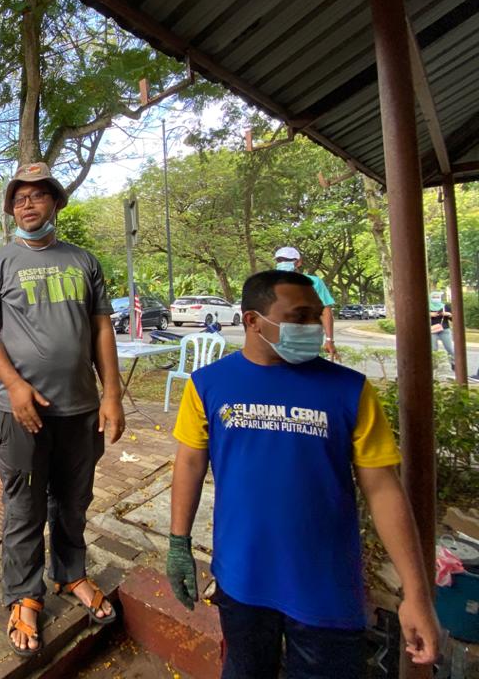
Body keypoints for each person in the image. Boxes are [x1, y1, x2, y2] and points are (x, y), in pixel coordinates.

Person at [166, 269, 439, 678]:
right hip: (241, 579)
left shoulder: (349, 390)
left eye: (316, 315)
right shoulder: (208, 385)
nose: (313, 327)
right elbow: (189, 463)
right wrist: (178, 543)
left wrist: (416, 593)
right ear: (253, 321)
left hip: (326, 589)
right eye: (299, 317)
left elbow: (383, 489)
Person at [0, 161, 125, 657]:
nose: (27, 204)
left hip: (80, 408)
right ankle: (24, 594)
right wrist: (14, 385)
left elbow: (102, 328)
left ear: (55, 202)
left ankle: (70, 573)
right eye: (19, 198)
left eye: (37, 195)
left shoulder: (84, 261)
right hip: (21, 411)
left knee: (74, 499)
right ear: (11, 208)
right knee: (25, 505)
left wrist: (112, 394)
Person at [273, 247, 339, 360]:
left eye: (288, 260)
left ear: (298, 262)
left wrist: (329, 340)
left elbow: (325, 311)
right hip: (275, 340)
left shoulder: (314, 282)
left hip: (305, 341)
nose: (283, 263)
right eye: (280, 260)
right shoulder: (268, 283)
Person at [430, 290, 454, 370]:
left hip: (444, 329)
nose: (436, 299)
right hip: (432, 330)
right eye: (434, 297)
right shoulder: (426, 306)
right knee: (433, 349)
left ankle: (454, 363)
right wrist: (429, 314)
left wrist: (449, 314)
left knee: (450, 348)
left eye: (437, 297)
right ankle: (434, 365)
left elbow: (453, 319)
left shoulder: (445, 306)